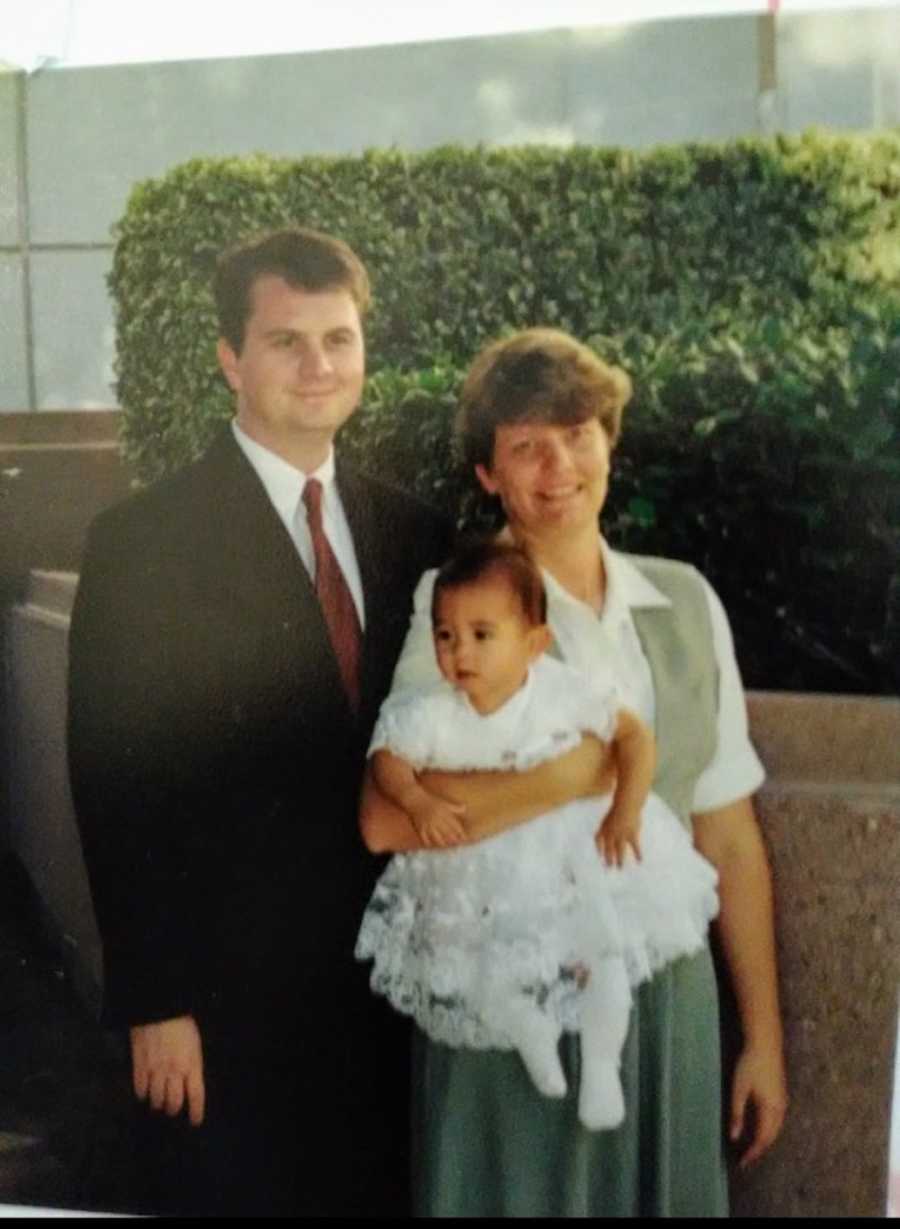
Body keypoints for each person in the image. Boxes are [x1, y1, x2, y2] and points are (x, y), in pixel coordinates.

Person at [66, 227, 451, 1216]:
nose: (319, 364)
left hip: (391, 1000)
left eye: (339, 337)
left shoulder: (415, 532)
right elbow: (116, 785)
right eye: (287, 340)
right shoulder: (141, 543)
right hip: (225, 1010)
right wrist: (155, 1002)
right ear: (230, 357)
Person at [361, 327, 788, 1217]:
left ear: (610, 441)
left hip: (662, 999)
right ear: (489, 474)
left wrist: (764, 1040)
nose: (559, 466)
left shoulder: (683, 601)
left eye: (578, 434)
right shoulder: (456, 609)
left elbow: (729, 836)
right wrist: (579, 775)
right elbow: (389, 817)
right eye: (526, 447)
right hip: (505, 993)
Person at [356, 539, 720, 1133]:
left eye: (481, 634)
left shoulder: (559, 690)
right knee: (482, 973)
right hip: (484, 877)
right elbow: (387, 760)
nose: (459, 653)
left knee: (602, 955)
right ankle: (528, 1029)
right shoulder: (435, 710)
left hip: (572, 861)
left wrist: (626, 809)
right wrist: (416, 798)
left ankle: (601, 1067)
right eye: (445, 636)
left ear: (534, 643)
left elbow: (634, 738)